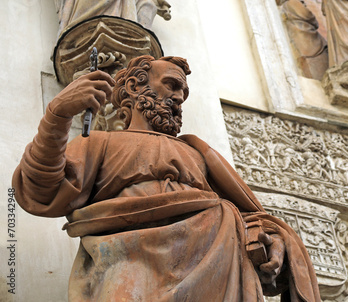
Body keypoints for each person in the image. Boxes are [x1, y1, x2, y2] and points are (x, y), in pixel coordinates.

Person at [12, 55, 321, 301]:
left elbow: (252, 216)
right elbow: (41, 189)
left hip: (216, 262)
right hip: (129, 258)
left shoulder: (197, 151)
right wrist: (57, 115)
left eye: (183, 92)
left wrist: (272, 238)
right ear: (134, 86)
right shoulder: (99, 142)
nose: (179, 97)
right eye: (172, 85)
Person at [277, 0, 328, 80]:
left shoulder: (286, 5)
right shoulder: (292, 2)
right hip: (308, 41)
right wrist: (314, 20)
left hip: (303, 40)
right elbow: (308, 15)